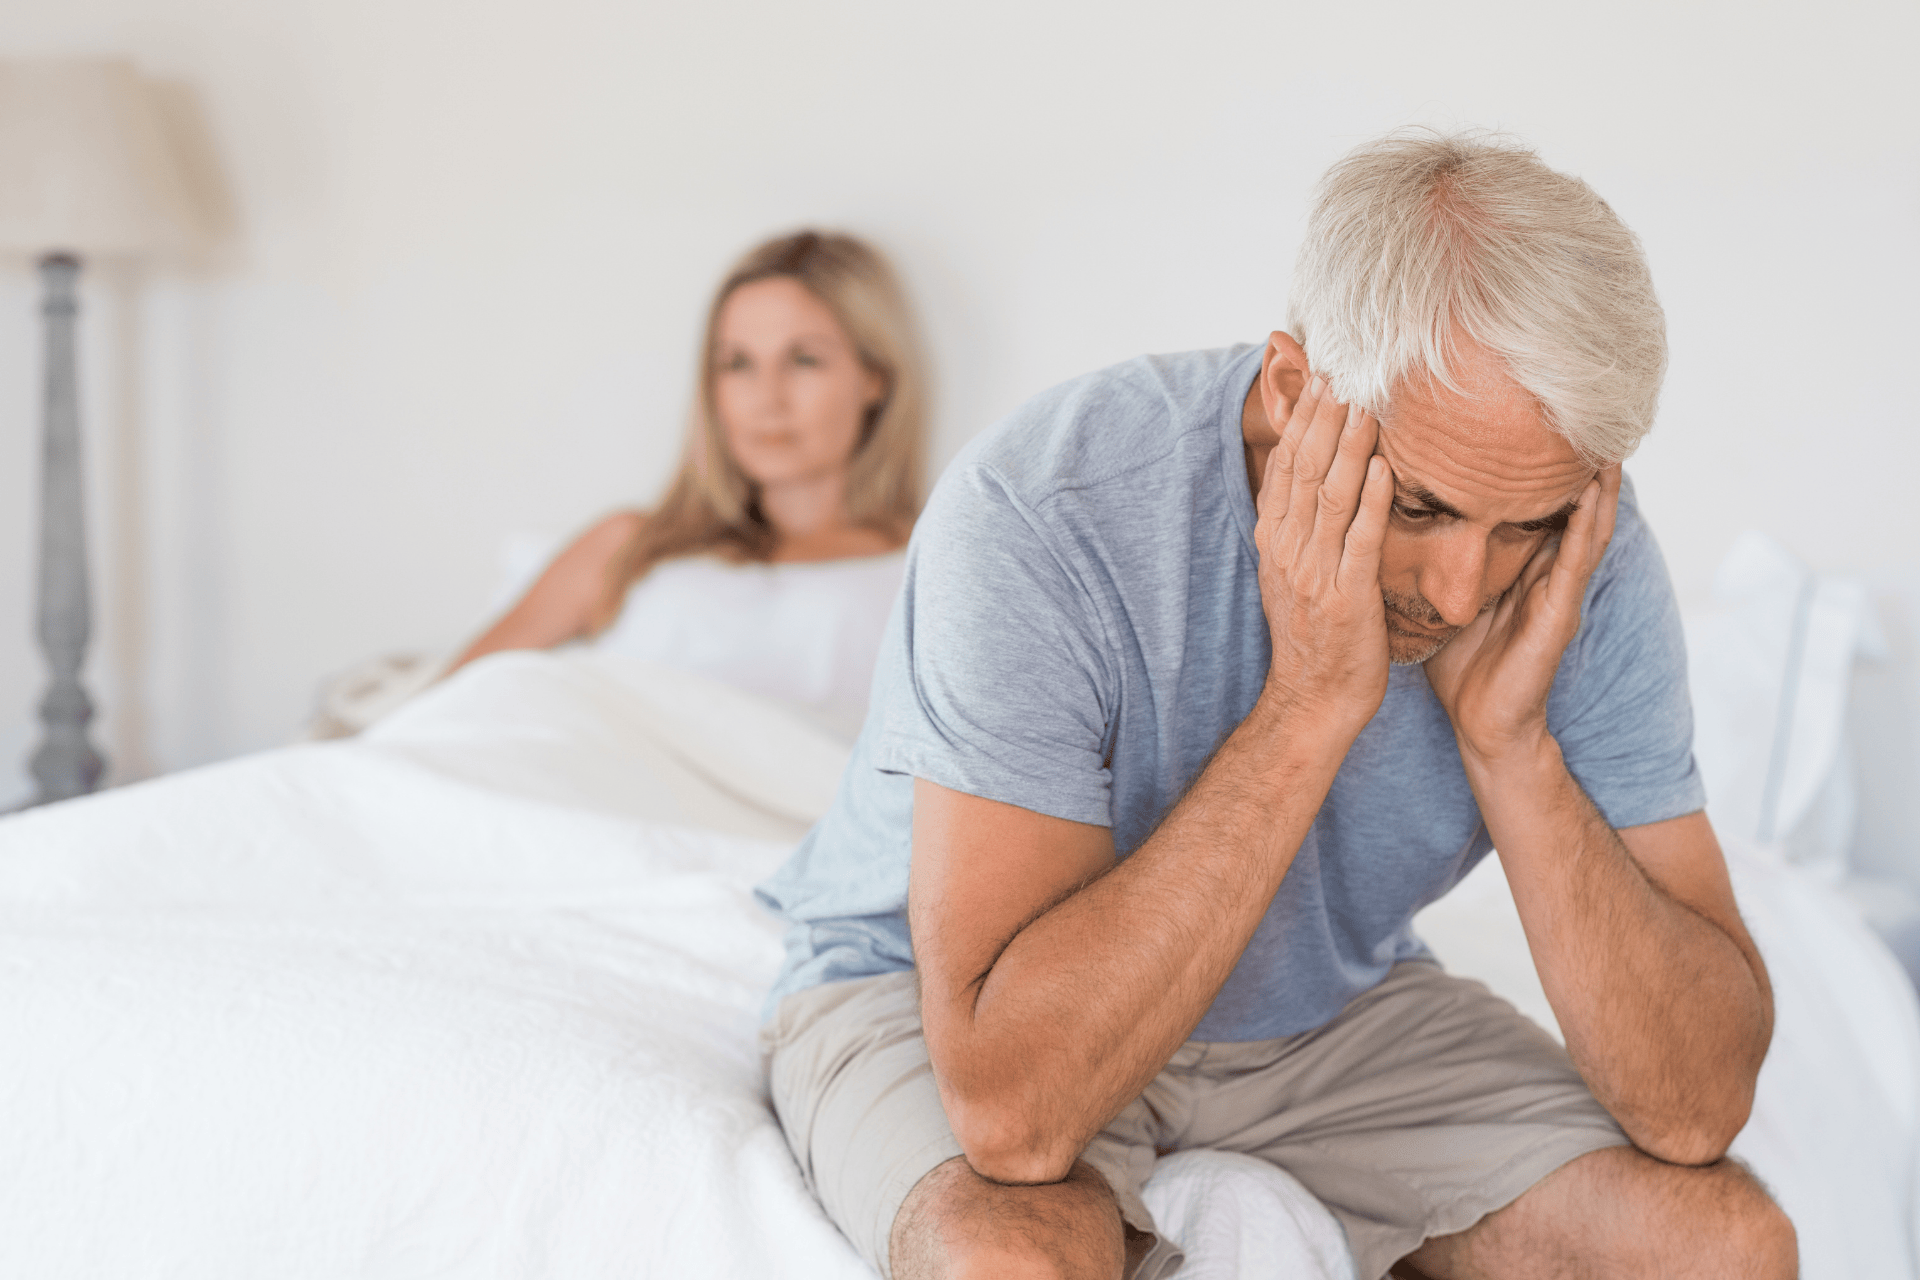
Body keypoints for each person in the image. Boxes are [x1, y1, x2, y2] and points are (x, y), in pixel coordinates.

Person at [755, 132, 1796, 1280]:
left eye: (1524, 525)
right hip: (951, 998)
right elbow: (1014, 1110)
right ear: (1297, 389)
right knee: (1011, 1260)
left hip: (1321, 1015)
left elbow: (1696, 1109)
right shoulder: (1041, 511)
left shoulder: (1583, 557)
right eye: (1421, 506)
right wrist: (1309, 701)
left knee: (1724, 1247)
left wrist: (1513, 750)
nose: (1464, 590)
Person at [446, 230, 927, 736]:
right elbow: (447, 705)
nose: (767, 399)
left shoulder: (927, 572)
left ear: (875, 378)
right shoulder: (631, 545)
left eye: (804, 360)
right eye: (737, 364)